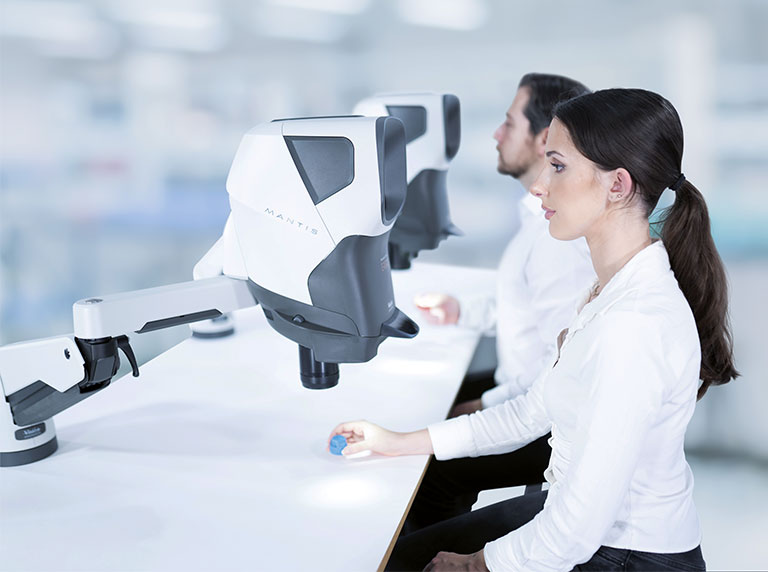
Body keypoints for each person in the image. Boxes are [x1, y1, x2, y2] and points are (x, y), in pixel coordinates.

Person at [330, 88, 738, 571]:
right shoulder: (607, 290)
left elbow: (579, 525)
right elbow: (530, 412)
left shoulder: (633, 327)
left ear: (618, 185)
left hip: (624, 553)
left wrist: (477, 564)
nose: (540, 185)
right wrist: (399, 441)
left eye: (559, 166)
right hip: (587, 528)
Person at [406, 73, 595, 532]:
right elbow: (532, 308)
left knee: (430, 470)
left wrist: (485, 404)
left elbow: (558, 365)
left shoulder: (556, 240)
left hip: (545, 422)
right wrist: (463, 312)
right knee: (435, 408)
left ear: (543, 139)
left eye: (508, 124)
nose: (496, 134)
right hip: (526, 393)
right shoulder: (540, 220)